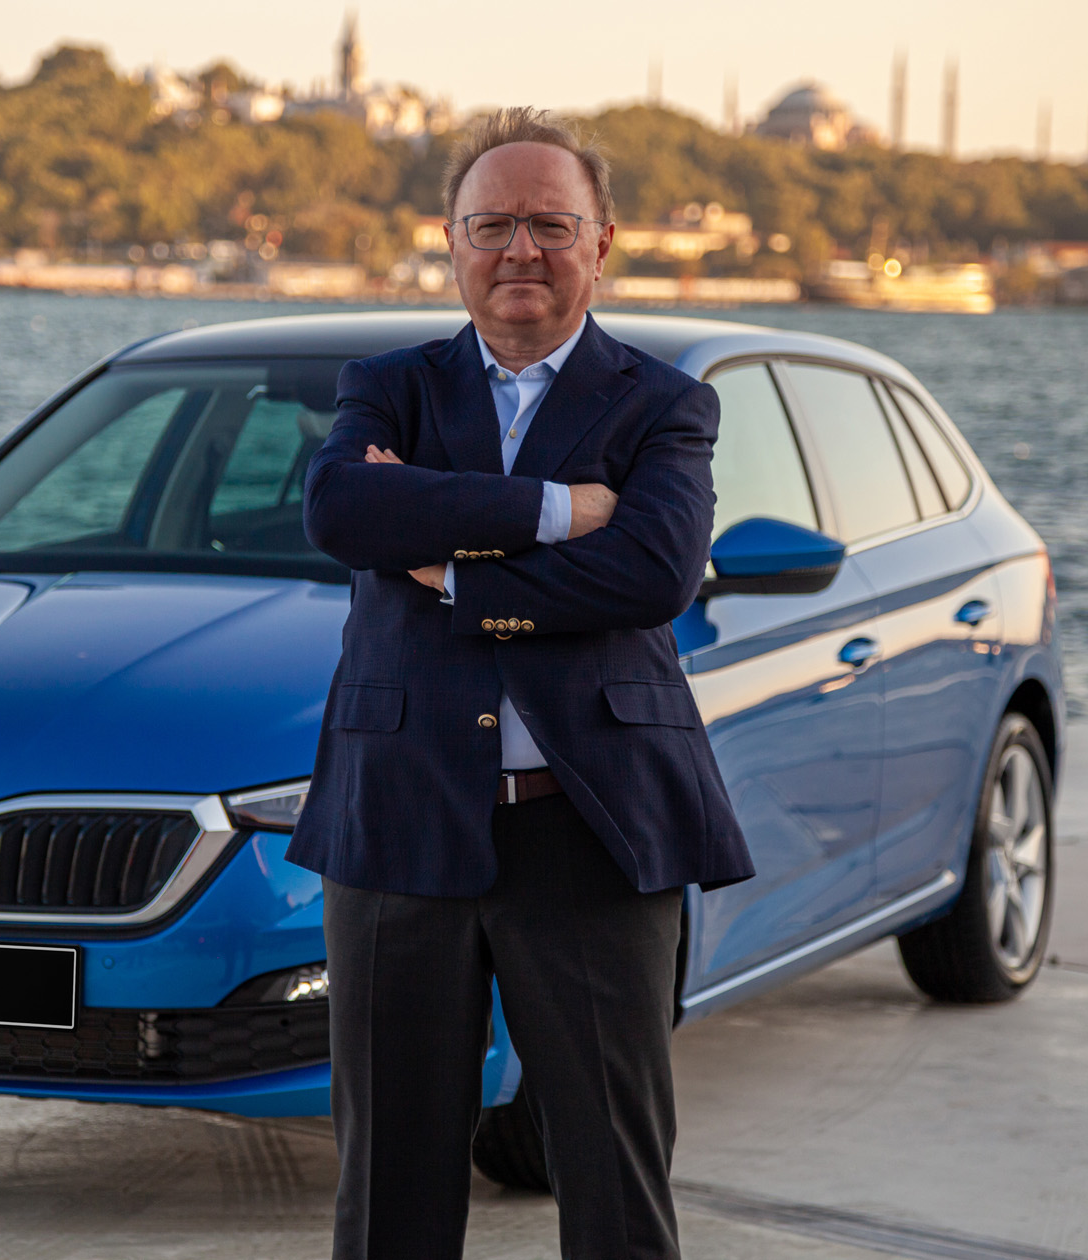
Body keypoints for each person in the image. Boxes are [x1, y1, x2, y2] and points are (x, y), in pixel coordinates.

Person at [287, 108, 754, 1260]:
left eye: (552, 224)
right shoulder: (387, 387)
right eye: (492, 225)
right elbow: (343, 511)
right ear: (450, 240)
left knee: (613, 1179)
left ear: (603, 241)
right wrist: (558, 511)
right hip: (398, 822)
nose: (521, 250)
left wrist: (451, 570)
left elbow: (652, 571)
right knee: (388, 1190)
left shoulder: (664, 403)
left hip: (590, 829)